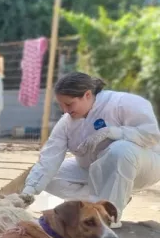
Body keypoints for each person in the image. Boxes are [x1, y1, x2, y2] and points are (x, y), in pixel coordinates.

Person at [22, 72, 160, 226]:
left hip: (144, 166)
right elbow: (49, 158)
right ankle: (104, 202)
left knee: (121, 149)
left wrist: (115, 132)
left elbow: (152, 135)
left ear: (87, 95)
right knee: (48, 177)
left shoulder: (123, 103)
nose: (65, 110)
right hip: (94, 167)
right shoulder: (66, 123)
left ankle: (107, 217)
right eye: (61, 105)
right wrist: (28, 193)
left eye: (69, 104)